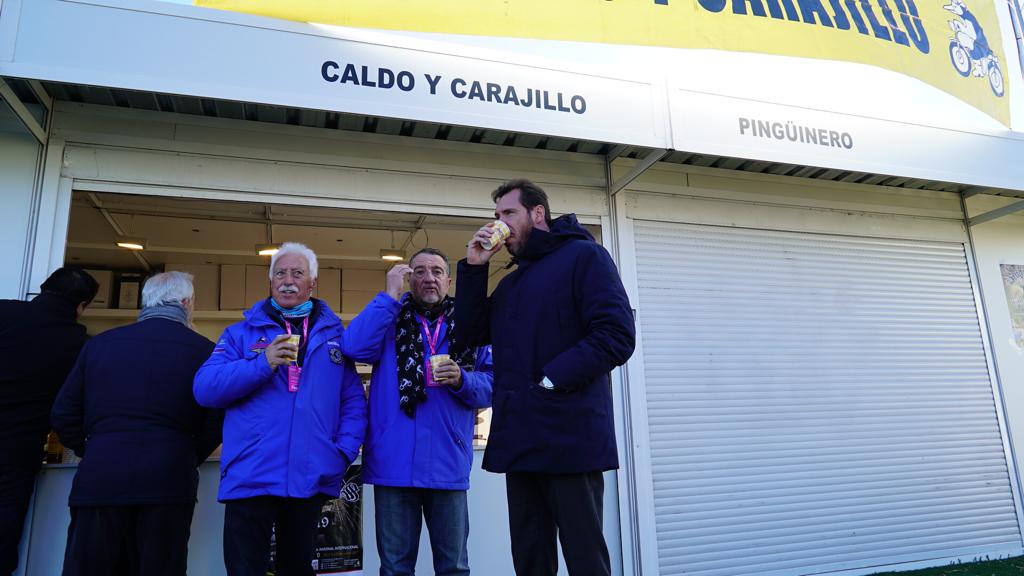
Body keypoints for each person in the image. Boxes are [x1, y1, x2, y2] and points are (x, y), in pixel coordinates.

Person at [455, 179, 636, 576]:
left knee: (586, 560)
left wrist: (550, 381)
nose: (499, 223)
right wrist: (474, 266)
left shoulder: (585, 257)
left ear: (538, 214)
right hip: (521, 442)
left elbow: (617, 336)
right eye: (496, 215)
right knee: (531, 562)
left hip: (570, 439)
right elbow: (468, 333)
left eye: (508, 213)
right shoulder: (512, 282)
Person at [194, 242, 367, 576]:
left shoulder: (336, 338)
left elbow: (354, 404)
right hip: (251, 475)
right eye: (280, 273)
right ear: (271, 281)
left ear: (312, 283)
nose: (288, 280)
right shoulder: (239, 335)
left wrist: (341, 452)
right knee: (245, 570)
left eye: (297, 273)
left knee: (298, 570)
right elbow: (205, 389)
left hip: (309, 476)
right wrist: (262, 362)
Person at [50, 271, 222, 576]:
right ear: (186, 302)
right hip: (168, 478)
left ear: (146, 301)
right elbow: (215, 420)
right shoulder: (205, 352)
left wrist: (92, 449)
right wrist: (186, 454)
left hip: (101, 477)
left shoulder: (99, 345)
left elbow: (63, 413)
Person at [342, 248, 492, 576]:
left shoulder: (471, 325)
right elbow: (352, 347)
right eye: (419, 271)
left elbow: (495, 383)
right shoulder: (389, 318)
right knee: (395, 568)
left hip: (447, 464)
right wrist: (388, 295)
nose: (428, 278)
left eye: (436, 271)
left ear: (449, 281)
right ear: (410, 279)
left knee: (453, 567)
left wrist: (463, 379)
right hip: (393, 464)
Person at [0, 267, 98, 576]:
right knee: (5, 516)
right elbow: (74, 406)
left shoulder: (5, 311)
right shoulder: (79, 344)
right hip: (18, 445)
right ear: (81, 307)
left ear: (42, 289)